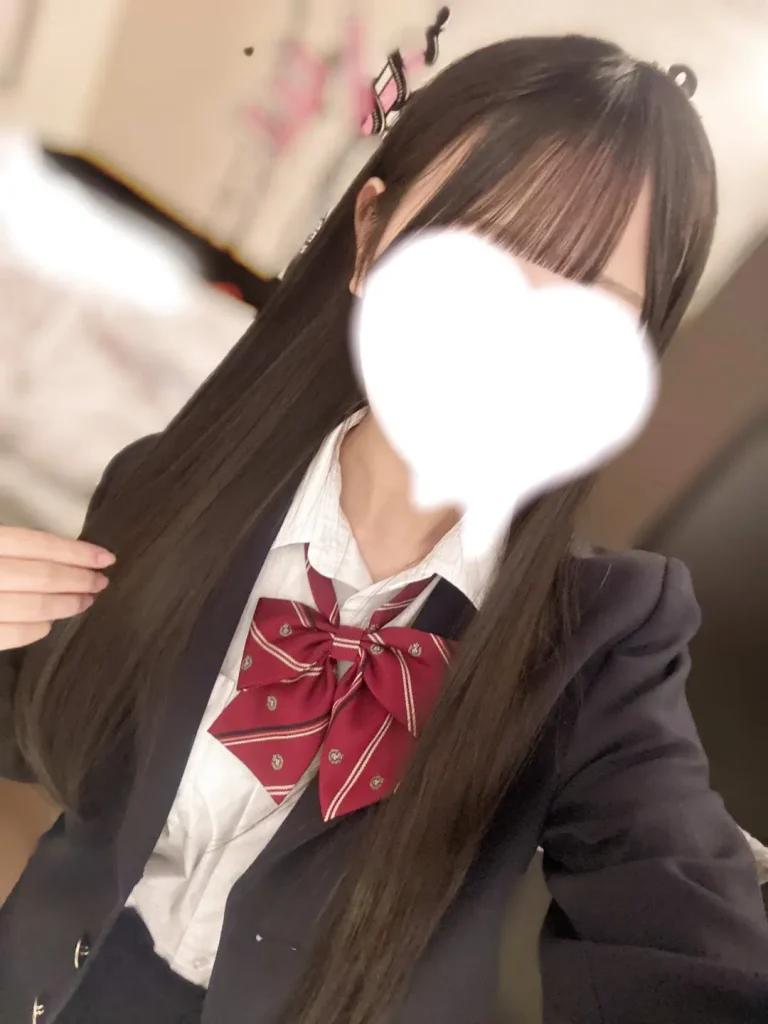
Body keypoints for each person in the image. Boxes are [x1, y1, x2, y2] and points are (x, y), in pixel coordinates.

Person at [1, 34, 767, 1024]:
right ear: (372, 237)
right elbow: (44, 726)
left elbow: (676, 916)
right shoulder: (170, 486)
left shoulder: (603, 642)